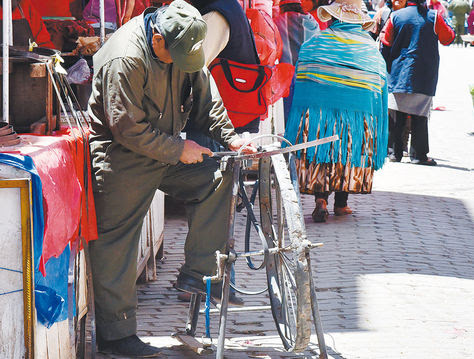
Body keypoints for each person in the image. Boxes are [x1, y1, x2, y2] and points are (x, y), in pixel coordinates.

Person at [88, 1, 256, 356]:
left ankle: (198, 271)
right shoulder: (125, 57)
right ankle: (116, 335)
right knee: (115, 243)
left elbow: (208, 101)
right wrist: (177, 149)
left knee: (218, 174)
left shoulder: (185, 43)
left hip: (165, 147)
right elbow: (126, 128)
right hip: (123, 156)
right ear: (157, 38)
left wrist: (232, 137)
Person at [284, 0, 388, 223]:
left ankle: (320, 200)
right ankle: (341, 204)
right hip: (357, 114)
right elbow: (379, 84)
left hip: (319, 112)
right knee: (347, 152)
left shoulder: (316, 42)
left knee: (323, 150)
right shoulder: (369, 47)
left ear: (333, 17)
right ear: (358, 20)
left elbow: (301, 77)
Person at [381, 0, 455, 165]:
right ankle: (418, 155)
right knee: (420, 116)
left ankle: (394, 152)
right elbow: (448, 38)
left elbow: (386, 42)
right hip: (424, 72)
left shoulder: (395, 16)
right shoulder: (434, 17)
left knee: (397, 114)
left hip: (398, 71)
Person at [274, 0, 319, 122]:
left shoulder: (279, 21)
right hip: (309, 78)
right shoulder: (313, 23)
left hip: (287, 80)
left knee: (289, 120)